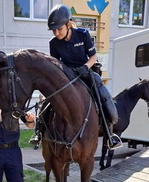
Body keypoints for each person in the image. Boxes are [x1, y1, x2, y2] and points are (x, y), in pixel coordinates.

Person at [30, 4, 122, 150]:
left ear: (68, 24)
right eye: (53, 30)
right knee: (48, 99)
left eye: (59, 29)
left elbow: (93, 56)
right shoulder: (53, 43)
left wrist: (84, 68)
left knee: (101, 92)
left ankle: (110, 135)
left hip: (85, 71)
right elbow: (56, 64)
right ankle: (39, 133)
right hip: (66, 76)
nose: (56, 33)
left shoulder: (83, 34)